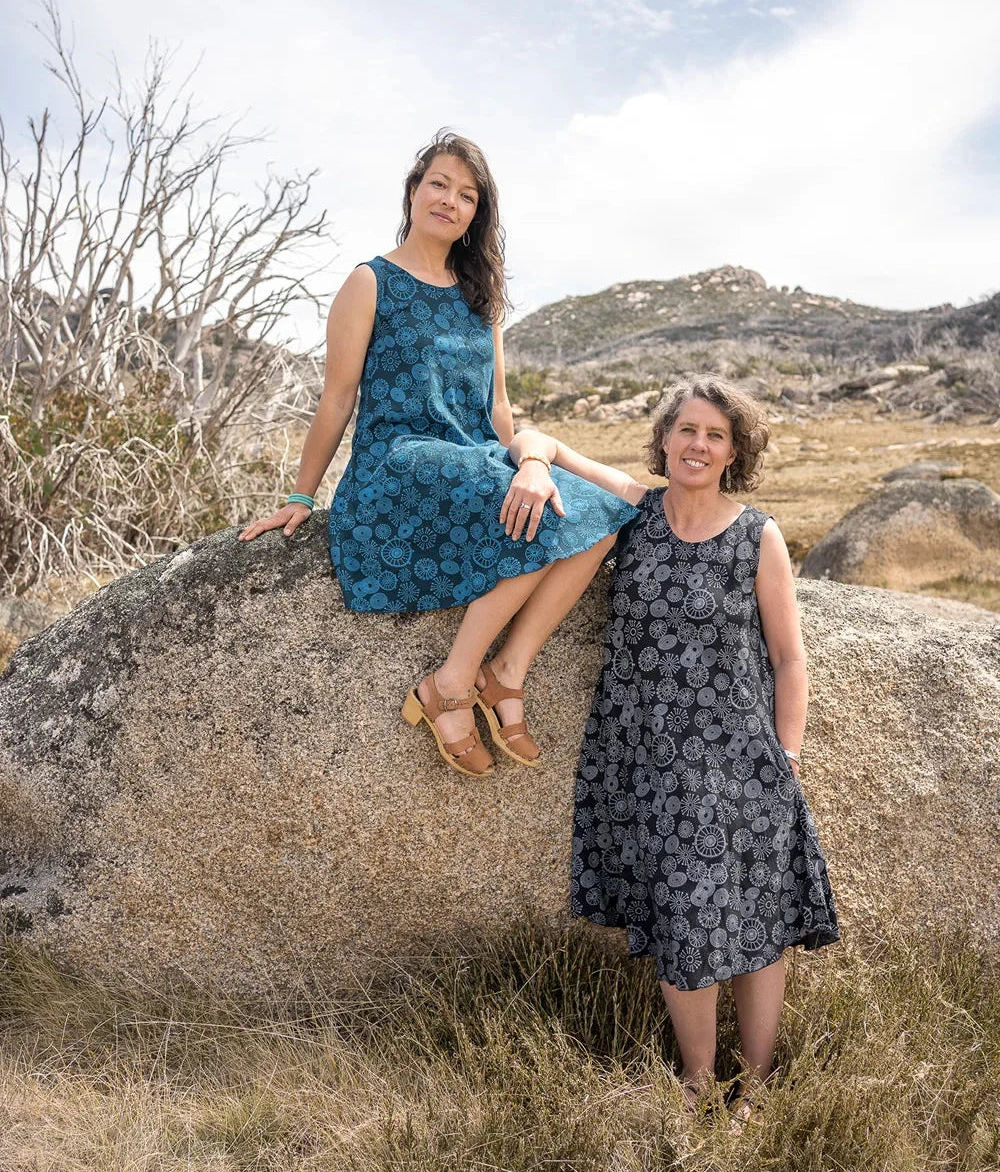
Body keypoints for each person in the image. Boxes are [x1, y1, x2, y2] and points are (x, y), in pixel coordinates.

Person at [239, 130, 638, 776]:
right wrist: (300, 497)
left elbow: (500, 409)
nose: (450, 201)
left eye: (467, 194)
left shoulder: (482, 300)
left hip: (473, 457)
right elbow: (337, 400)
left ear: (478, 215)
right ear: (414, 191)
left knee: (592, 517)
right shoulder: (371, 282)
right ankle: (448, 684)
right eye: (439, 185)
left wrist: (526, 465)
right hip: (398, 466)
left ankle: (504, 673)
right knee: (545, 516)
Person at [507, 377, 840, 1118]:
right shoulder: (636, 511)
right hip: (647, 764)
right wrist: (533, 464)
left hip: (743, 764)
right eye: (687, 429)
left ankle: (753, 1087)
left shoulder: (759, 535)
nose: (698, 445)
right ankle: (696, 1079)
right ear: (664, 439)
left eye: (715, 435)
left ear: (734, 451)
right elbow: (542, 442)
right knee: (679, 919)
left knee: (759, 925)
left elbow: (790, 659)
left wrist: (787, 759)